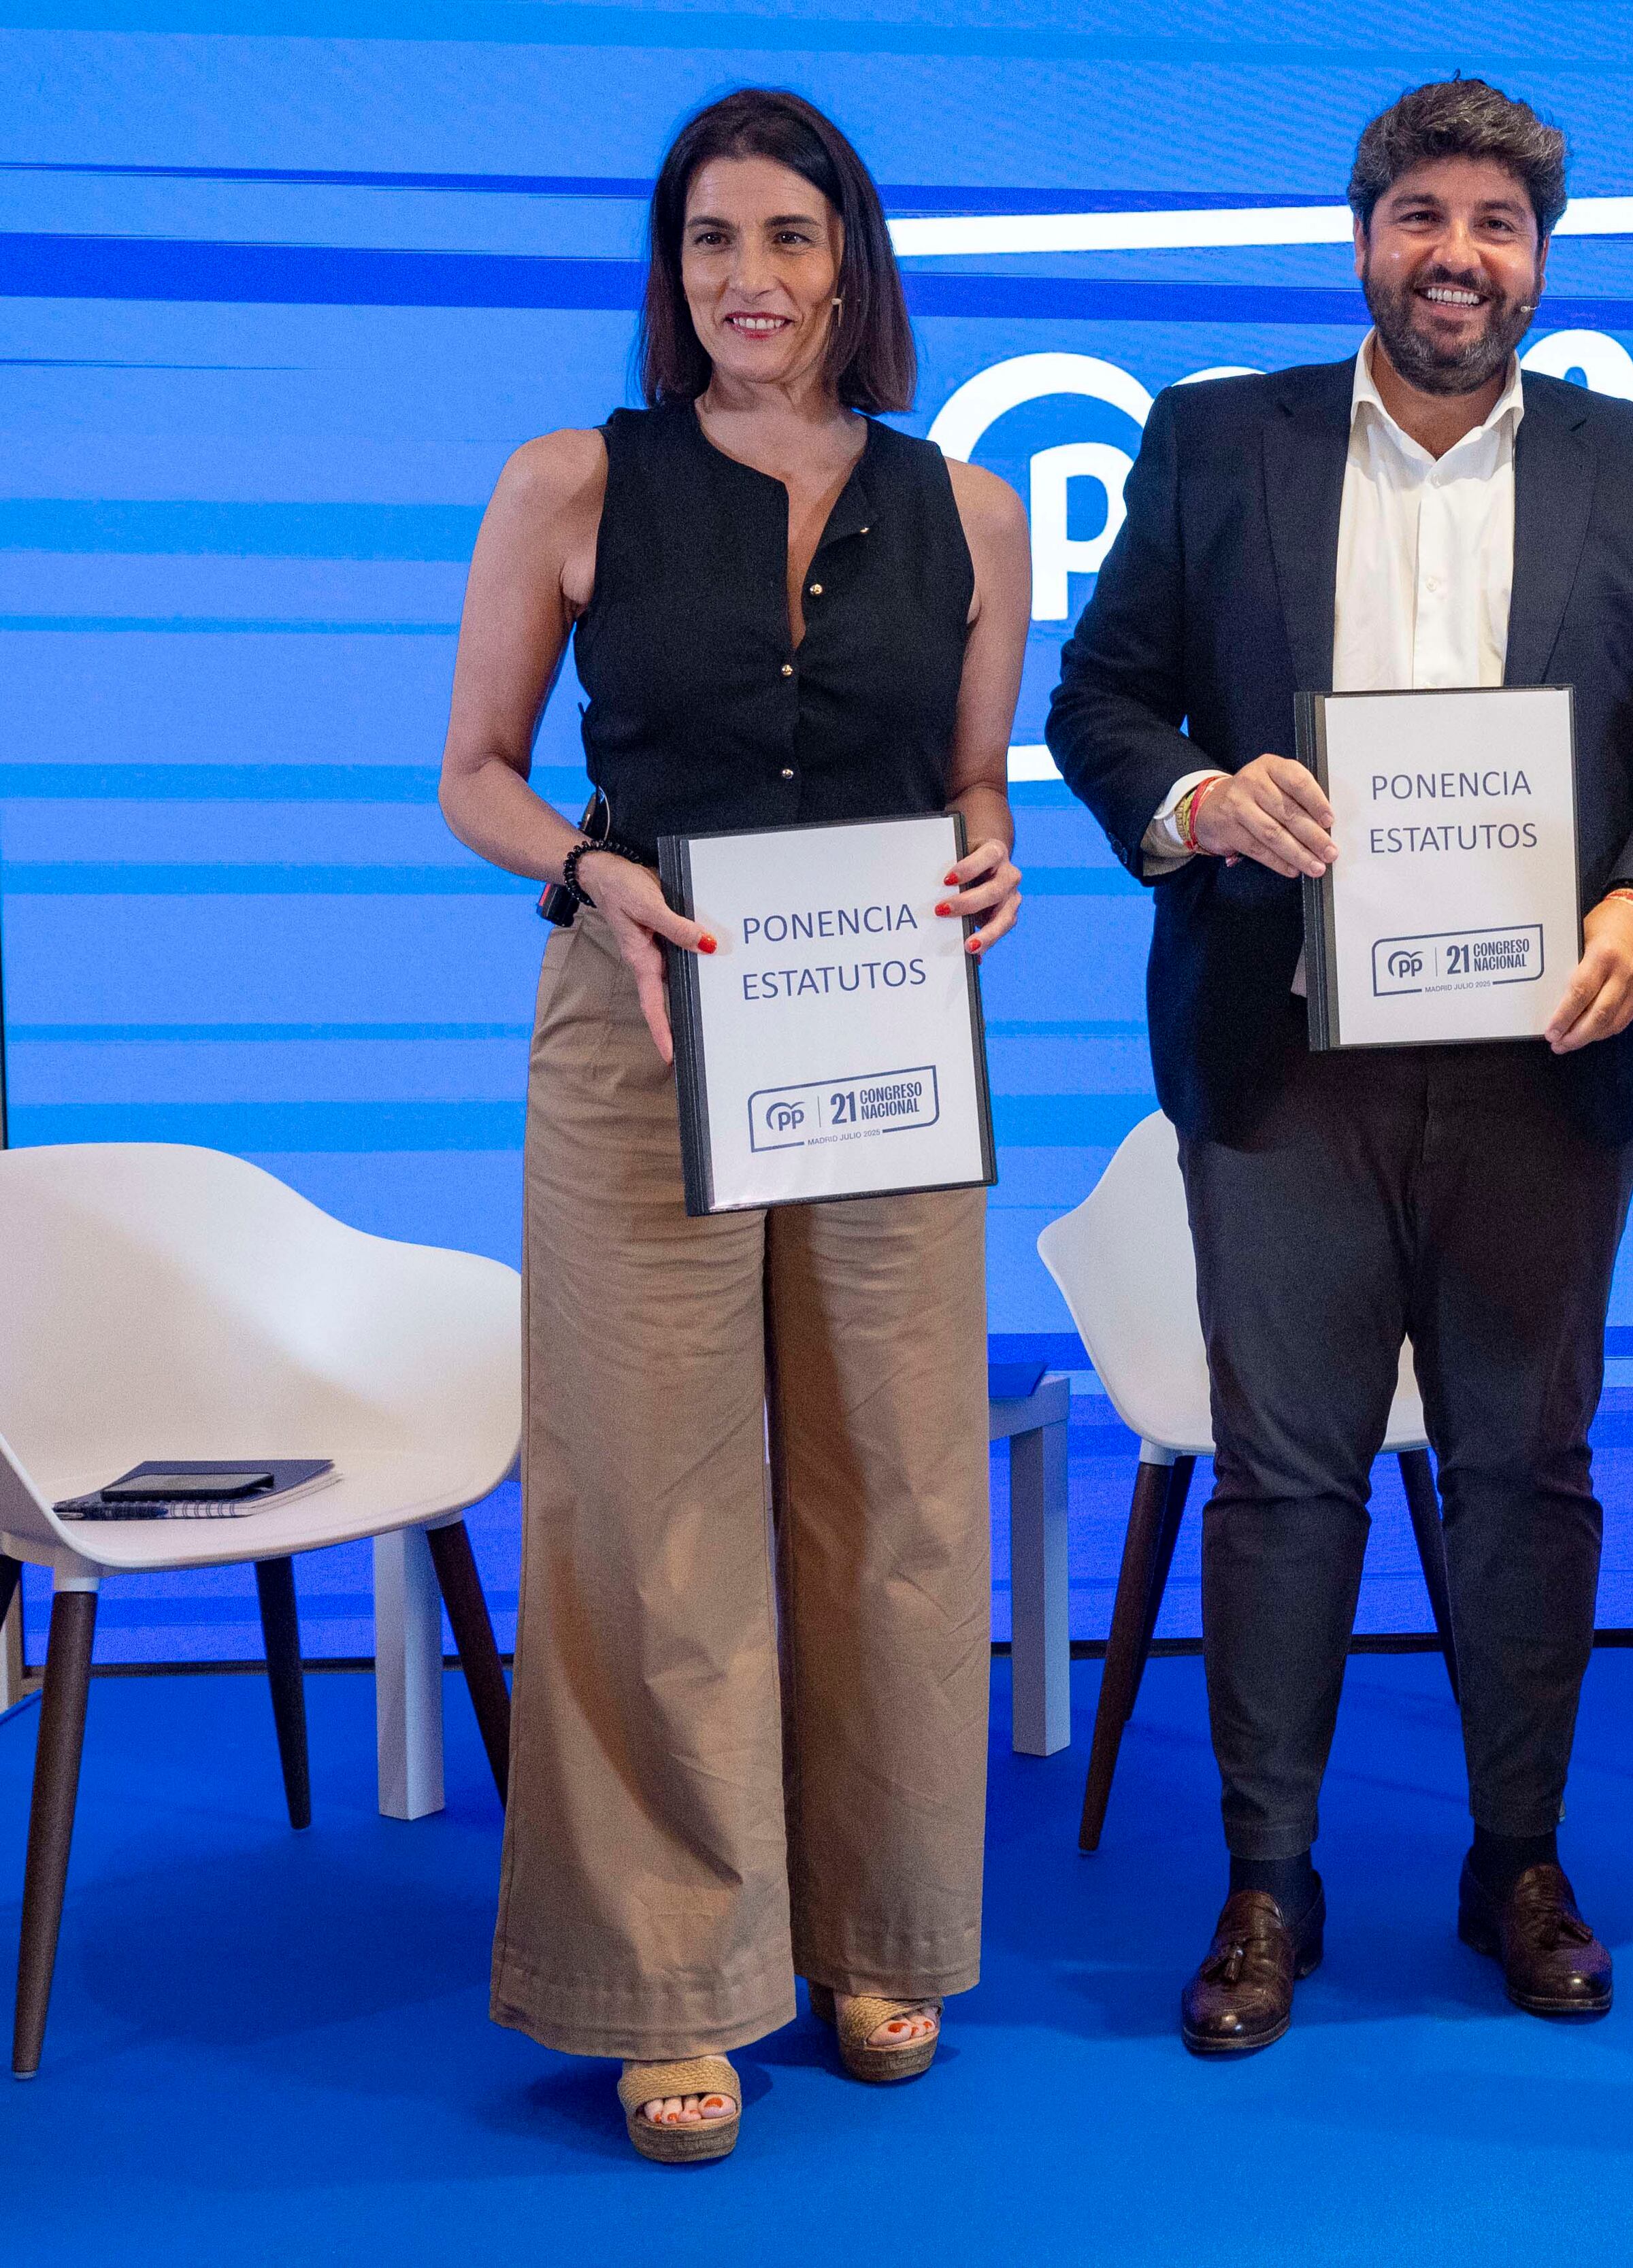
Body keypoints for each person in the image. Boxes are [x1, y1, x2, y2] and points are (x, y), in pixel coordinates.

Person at [1046, 77, 1633, 2055]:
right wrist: (1196, 795)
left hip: (1549, 1052)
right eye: (1424, 215)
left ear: (1542, 259)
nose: (1460, 255)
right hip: (1285, 1053)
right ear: (1365, 235)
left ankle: (1514, 1858)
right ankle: (1267, 1883)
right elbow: (1099, 700)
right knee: (1284, 1478)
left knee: (1530, 1470)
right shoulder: (1215, 442)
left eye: (1500, 225)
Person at [437, 86, 1029, 2163]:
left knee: (894, 1493)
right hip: (636, 1044)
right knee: (649, 1499)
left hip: (879, 1041)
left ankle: (880, 1930)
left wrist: (992, 860)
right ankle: (671, 1970)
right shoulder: (570, 483)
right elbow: (480, 775)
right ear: (669, 271)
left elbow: (975, 776)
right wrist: (591, 879)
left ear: (853, 263)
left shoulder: (966, 507)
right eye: (711, 243)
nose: (751, 281)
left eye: (791, 238)